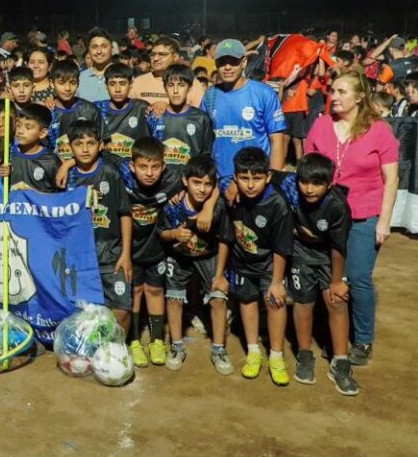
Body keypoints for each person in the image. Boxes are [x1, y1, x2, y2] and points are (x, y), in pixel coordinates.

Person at [305, 72, 399, 366]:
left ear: (360, 97)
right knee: (328, 278)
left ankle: (362, 339)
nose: (334, 96)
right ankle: (333, 335)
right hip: (327, 217)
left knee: (357, 278)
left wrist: (383, 221)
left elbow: (392, 178)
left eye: (342, 91)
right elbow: (308, 169)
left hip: (364, 215)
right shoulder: (321, 125)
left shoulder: (379, 130)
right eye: (333, 90)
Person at [280, 154, 357, 394]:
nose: (309, 189)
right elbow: (268, 175)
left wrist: (336, 281)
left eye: (317, 184)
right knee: (303, 303)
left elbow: (338, 248)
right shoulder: (289, 184)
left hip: (329, 257)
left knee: (336, 302)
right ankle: (304, 355)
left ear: (330, 184)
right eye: (304, 182)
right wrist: (231, 188)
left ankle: (341, 362)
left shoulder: (337, 206)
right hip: (301, 254)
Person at [158, 155, 235, 375]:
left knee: (218, 298)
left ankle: (219, 349)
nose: (202, 189)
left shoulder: (218, 208)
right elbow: (161, 234)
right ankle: (176, 345)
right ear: (185, 181)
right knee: (173, 298)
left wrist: (219, 275)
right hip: (179, 255)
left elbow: (224, 240)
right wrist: (173, 233)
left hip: (208, 255)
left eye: (207, 184)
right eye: (196, 182)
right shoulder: (173, 206)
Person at [226, 147, 294, 386]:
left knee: (275, 303)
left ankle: (276, 356)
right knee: (246, 301)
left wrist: (276, 282)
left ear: (267, 177)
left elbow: (282, 247)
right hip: (242, 262)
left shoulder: (278, 205)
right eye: (244, 178)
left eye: (256, 178)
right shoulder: (232, 196)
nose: (250, 185)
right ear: (235, 178)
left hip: (269, 265)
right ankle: (253, 351)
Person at [64, 120, 133, 331]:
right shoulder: (66, 177)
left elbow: (125, 213)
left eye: (91, 143)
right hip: (79, 259)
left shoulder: (111, 173)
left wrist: (126, 254)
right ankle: (91, 354)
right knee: (85, 314)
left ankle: (117, 350)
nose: (85, 149)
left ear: (101, 144)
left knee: (121, 310)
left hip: (112, 256)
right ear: (70, 147)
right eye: (79, 144)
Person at [119, 137, 181, 368]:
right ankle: (134, 341)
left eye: (155, 167)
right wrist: (65, 164)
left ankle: (156, 340)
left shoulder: (174, 179)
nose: (149, 173)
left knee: (155, 290)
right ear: (132, 167)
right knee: (134, 291)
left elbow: (202, 176)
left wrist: (182, 192)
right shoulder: (120, 177)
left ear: (164, 167)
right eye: (143, 167)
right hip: (129, 250)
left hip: (156, 248)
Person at [202, 39, 287, 182]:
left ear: (244, 62)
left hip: (254, 181)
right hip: (219, 180)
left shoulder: (264, 93)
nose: (227, 67)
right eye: (222, 62)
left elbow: (277, 140)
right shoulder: (210, 94)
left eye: (233, 61)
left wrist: (274, 182)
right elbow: (203, 136)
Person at [148, 65, 215, 178]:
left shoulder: (201, 118)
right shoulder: (154, 116)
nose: (175, 91)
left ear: (190, 87)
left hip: (190, 185)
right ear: (164, 88)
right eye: (170, 85)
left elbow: (205, 157)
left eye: (181, 85)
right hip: (160, 185)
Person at [49, 60, 103, 161]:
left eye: (72, 83)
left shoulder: (90, 110)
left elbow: (100, 144)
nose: (67, 88)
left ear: (78, 83)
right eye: (61, 83)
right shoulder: (46, 111)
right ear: (52, 84)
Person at [95, 64, 151, 162]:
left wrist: (162, 105)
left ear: (131, 84)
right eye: (112, 84)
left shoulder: (142, 107)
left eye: (122, 83)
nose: (117, 89)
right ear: (106, 86)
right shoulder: (96, 109)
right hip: (107, 171)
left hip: (136, 170)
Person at [2, 104, 60, 193]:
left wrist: (32, 194)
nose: (20, 131)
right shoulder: (9, 154)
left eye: (28, 127)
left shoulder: (51, 160)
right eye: (18, 125)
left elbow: (61, 196)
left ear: (42, 133)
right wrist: (3, 175)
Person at [77, 28, 113, 103]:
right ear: (88, 50)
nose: (99, 51)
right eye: (94, 47)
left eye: (104, 46)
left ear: (111, 48)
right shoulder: (79, 79)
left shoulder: (124, 77)